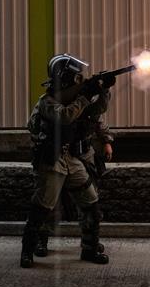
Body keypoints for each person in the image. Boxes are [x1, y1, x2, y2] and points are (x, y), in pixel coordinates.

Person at [20, 53, 114, 269]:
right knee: (42, 208)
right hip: (51, 160)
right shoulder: (47, 102)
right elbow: (65, 116)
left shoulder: (74, 100)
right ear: (63, 78)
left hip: (71, 157)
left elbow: (95, 111)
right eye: (75, 77)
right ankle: (28, 250)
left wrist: (104, 90)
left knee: (91, 202)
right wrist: (85, 95)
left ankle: (90, 248)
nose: (79, 81)